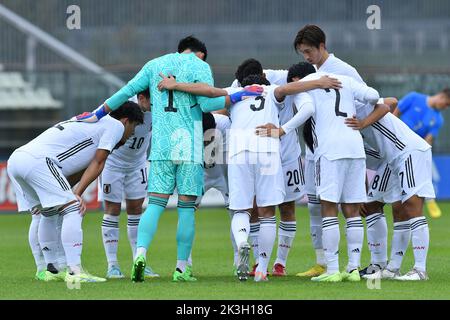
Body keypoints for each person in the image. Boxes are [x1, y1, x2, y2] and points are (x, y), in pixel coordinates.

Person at [76, 35, 263, 282]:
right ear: (200, 54)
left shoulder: (154, 65)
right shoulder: (200, 66)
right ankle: (181, 268)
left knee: (154, 204)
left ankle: (139, 255)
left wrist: (99, 113)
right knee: (186, 208)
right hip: (189, 146)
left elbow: (127, 90)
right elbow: (208, 104)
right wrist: (239, 95)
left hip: (162, 146)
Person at [256, 63, 380, 283]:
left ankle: (332, 269)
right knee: (352, 210)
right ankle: (352, 268)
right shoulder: (345, 80)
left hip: (330, 151)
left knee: (328, 207)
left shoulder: (304, 87)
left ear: (295, 78)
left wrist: (282, 129)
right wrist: (361, 122)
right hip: (355, 148)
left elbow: (308, 110)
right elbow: (374, 95)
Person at [7, 102, 143, 283]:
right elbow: (99, 162)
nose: (131, 135)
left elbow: (81, 167)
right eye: (133, 129)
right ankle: (74, 271)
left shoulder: (93, 123)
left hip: (18, 159)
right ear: (126, 121)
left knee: (46, 213)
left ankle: (49, 270)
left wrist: (71, 193)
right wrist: (76, 195)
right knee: (73, 209)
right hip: (39, 161)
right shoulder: (115, 125)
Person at [98, 89, 159, 279]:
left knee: (136, 209)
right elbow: (98, 117)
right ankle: (112, 265)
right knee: (112, 210)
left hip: (138, 164)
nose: (155, 107)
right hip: (113, 163)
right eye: (152, 103)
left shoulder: (158, 108)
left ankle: (138, 261)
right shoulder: (121, 105)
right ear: (141, 98)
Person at [394, 88, 450, 218]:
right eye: (447, 104)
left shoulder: (438, 119)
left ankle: (427, 199)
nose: (446, 107)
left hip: (412, 151)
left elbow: (428, 140)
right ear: (442, 97)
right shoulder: (414, 97)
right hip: (395, 144)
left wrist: (422, 153)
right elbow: (395, 113)